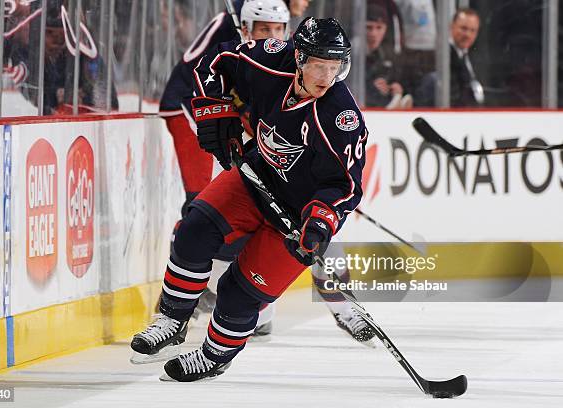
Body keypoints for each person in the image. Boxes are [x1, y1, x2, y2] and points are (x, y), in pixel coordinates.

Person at [134, 17, 370, 382]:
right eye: (319, 66)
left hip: (294, 215)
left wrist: (320, 222)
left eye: (334, 67)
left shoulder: (341, 117)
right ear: (299, 58)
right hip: (254, 178)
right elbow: (214, 63)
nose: (326, 77)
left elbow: (344, 186)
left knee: (239, 294)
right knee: (194, 230)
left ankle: (214, 356)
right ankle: (171, 319)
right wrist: (215, 110)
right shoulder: (270, 59)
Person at [415, 7, 484, 107]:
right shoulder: (440, 56)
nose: (468, 34)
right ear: (452, 27)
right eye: (463, 28)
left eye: (473, 30)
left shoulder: (475, 57)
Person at [364, 4, 411, 109]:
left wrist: (394, 88)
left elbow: (396, 77)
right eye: (369, 27)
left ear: (385, 29)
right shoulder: (351, 51)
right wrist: (371, 86)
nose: (373, 33)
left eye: (379, 28)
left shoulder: (387, 53)